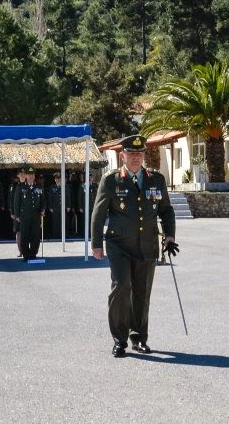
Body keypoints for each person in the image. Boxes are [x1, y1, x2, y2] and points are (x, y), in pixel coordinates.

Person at [91, 135, 177, 357]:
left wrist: (169, 236)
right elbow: (98, 214)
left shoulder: (155, 180)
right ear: (123, 156)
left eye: (140, 154)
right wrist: (96, 244)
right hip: (119, 245)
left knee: (142, 292)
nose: (136, 158)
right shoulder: (111, 180)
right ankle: (120, 339)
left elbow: (166, 210)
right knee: (121, 287)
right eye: (132, 153)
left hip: (147, 245)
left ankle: (138, 337)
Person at [14, 167, 45, 260]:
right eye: (29, 175)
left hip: (36, 215)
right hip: (25, 216)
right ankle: (26, 255)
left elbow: (43, 200)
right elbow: (16, 202)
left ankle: (33, 254)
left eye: (32, 175)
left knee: (35, 236)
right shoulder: (21, 187)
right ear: (26, 176)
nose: (31, 176)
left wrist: (43, 209)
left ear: (34, 176)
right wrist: (17, 215)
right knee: (25, 236)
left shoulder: (39, 187)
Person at [73, 171, 98, 237]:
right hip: (85, 207)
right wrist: (80, 207)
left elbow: (97, 196)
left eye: (91, 177)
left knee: (92, 220)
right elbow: (79, 197)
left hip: (93, 207)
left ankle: (91, 234)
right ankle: (85, 234)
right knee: (85, 221)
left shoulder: (95, 185)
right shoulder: (82, 186)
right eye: (89, 177)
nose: (90, 178)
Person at [46, 172, 68, 239]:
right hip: (55, 208)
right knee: (55, 222)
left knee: (64, 221)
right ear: (55, 180)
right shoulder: (52, 188)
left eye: (59, 179)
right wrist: (50, 207)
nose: (58, 180)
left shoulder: (65, 187)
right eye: (57, 179)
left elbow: (68, 197)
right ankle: (56, 235)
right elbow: (50, 198)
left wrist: (69, 206)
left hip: (63, 207)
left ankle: (63, 235)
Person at [9, 168, 25, 256]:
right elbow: (11, 199)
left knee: (26, 232)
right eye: (21, 173)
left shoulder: (28, 184)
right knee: (18, 232)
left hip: (26, 212)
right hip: (17, 212)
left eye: (24, 173)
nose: (22, 175)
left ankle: (26, 250)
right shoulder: (14, 185)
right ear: (18, 175)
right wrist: (12, 212)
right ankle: (20, 251)